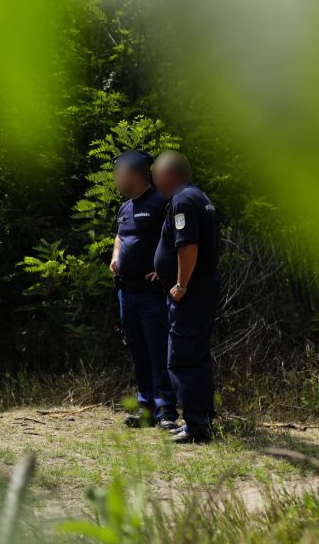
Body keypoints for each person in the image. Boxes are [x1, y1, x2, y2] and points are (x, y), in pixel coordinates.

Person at [153, 151, 220, 444]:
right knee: (197, 356)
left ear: (169, 174)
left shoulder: (181, 200)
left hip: (191, 292)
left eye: (156, 174)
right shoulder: (198, 197)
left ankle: (196, 427)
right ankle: (201, 421)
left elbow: (187, 246)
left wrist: (180, 283)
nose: (154, 180)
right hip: (201, 287)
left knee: (182, 358)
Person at [109, 150, 179, 431]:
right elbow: (119, 236)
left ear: (135, 174)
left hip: (152, 293)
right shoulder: (125, 208)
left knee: (158, 353)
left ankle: (166, 413)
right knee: (138, 352)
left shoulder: (162, 202)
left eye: (119, 173)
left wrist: (165, 270)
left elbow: (180, 237)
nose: (115, 179)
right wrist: (115, 256)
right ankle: (146, 410)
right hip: (126, 293)